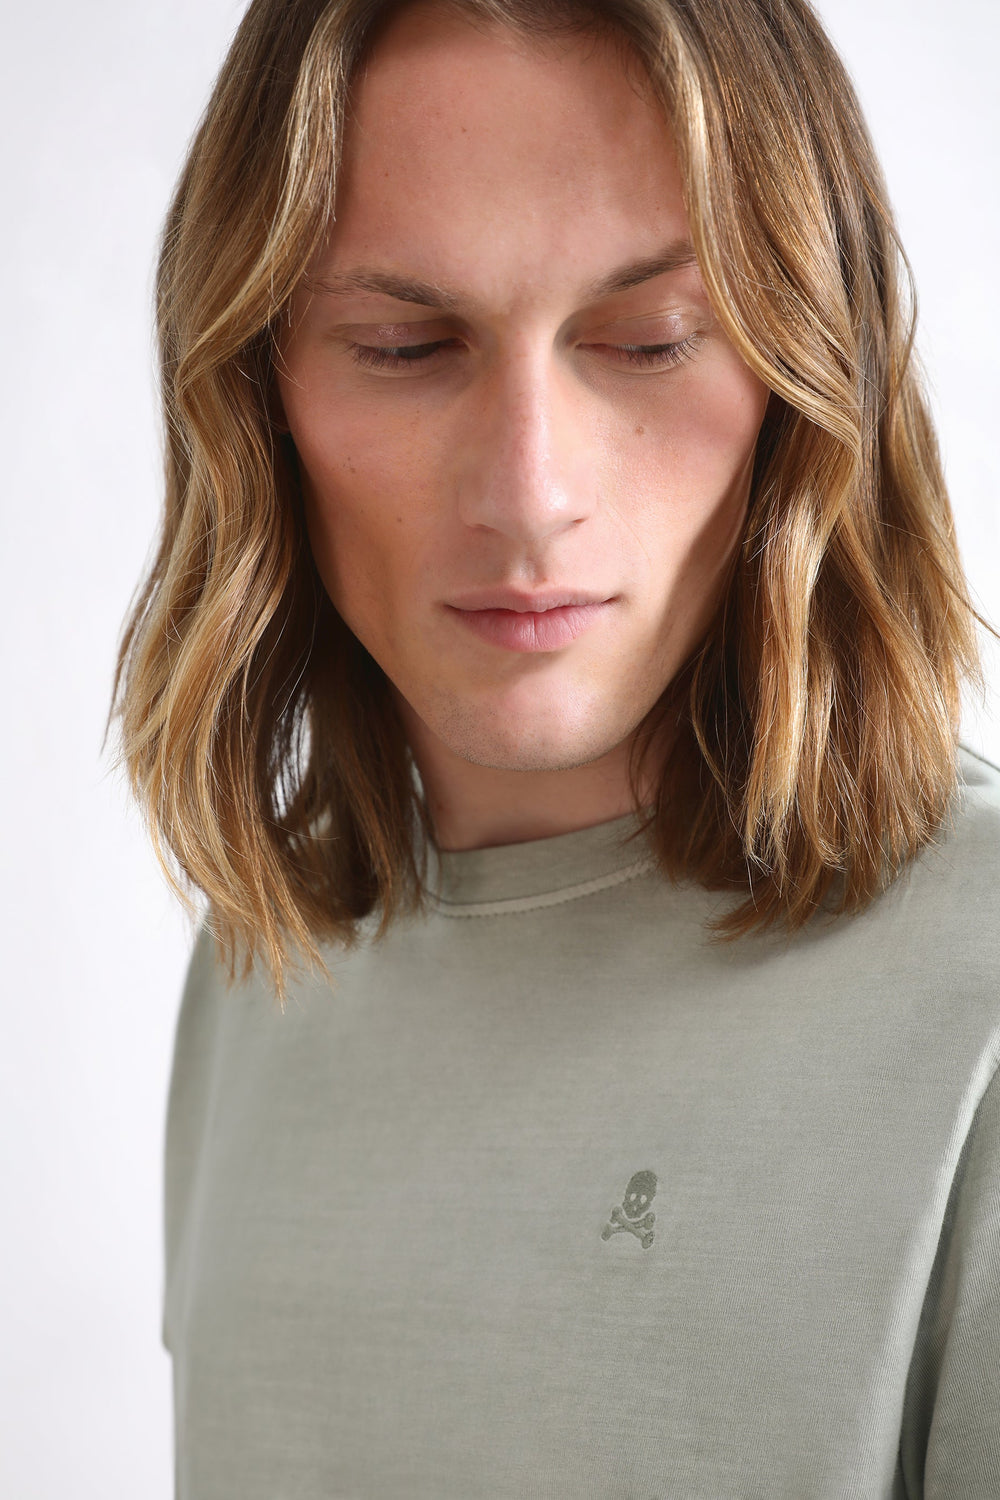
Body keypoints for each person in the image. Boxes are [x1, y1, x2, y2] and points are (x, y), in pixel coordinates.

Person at [110, 0, 1000, 1494]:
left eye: (650, 341)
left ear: (808, 375)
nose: (530, 493)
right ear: (255, 395)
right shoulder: (261, 964)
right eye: (404, 347)